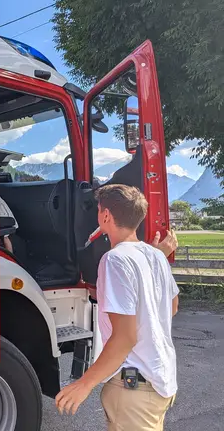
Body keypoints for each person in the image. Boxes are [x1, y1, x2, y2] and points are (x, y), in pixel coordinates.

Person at [55, 184, 178, 431]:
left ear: (106, 216)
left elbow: (124, 338)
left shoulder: (115, 260)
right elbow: (172, 306)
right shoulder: (156, 256)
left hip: (135, 391)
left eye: (99, 210)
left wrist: (84, 384)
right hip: (160, 382)